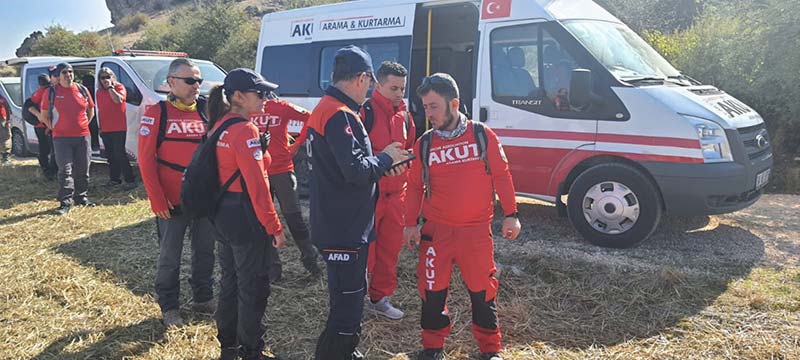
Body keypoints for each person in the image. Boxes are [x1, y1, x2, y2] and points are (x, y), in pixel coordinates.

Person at [403, 73, 521, 360]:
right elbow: (415, 187)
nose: (428, 113)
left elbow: (502, 177)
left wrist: (511, 214)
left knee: (483, 291)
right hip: (437, 232)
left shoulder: (482, 135)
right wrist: (409, 225)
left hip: (476, 233)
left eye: (433, 106)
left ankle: (490, 350)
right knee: (432, 291)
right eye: (425, 107)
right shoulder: (425, 143)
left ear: (453, 103)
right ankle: (432, 348)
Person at [307, 45, 410, 359]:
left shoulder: (328, 108)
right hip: (343, 227)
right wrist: (384, 158)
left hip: (339, 222)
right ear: (363, 78)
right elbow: (354, 171)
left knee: (347, 299)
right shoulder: (340, 115)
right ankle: (334, 353)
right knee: (348, 306)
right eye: (369, 82)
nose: (369, 89)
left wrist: (383, 165)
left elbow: (348, 168)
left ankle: (344, 350)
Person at [207, 68, 287, 360]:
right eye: (261, 93)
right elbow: (257, 185)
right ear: (239, 96)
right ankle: (252, 351)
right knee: (252, 286)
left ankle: (228, 345)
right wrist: (274, 226)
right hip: (244, 216)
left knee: (230, 281)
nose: (267, 98)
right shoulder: (245, 130)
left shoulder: (219, 125)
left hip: (222, 214)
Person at [137, 58, 216, 327]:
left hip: (203, 199)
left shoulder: (207, 109)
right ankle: (170, 306)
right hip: (171, 201)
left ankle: (203, 298)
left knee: (205, 251)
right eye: (190, 80)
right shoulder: (156, 112)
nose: (196, 85)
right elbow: (146, 159)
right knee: (170, 256)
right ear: (171, 82)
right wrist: (156, 199)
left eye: (199, 80)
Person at [360, 61, 416, 320]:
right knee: (365, 252)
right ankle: (355, 299)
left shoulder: (404, 114)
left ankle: (379, 299)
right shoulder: (365, 112)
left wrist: (405, 163)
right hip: (370, 195)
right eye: (393, 87)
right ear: (377, 84)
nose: (399, 93)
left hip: (397, 195)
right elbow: (356, 155)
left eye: (402, 88)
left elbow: (410, 147)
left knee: (389, 251)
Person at [251, 90, 320, 281]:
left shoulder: (282, 107)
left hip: (281, 170)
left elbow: (312, 118)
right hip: (258, 172)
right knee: (264, 219)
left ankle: (310, 261)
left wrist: (297, 144)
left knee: (294, 218)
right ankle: (273, 269)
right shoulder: (248, 108)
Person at [40, 63, 96, 215]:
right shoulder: (51, 92)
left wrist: (84, 125)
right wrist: (53, 127)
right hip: (61, 139)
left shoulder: (82, 90)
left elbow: (91, 110)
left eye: (70, 72)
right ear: (58, 76)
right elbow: (44, 115)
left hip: (83, 136)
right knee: (65, 171)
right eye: (64, 72)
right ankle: (65, 202)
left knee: (83, 169)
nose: (68, 75)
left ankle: (81, 197)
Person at [96, 67, 136, 189]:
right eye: (102, 78)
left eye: (108, 76)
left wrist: (110, 87)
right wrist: (100, 127)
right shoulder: (98, 92)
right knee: (110, 155)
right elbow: (101, 110)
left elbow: (118, 100)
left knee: (120, 154)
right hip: (106, 128)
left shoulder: (119, 88)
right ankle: (114, 179)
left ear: (113, 77)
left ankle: (130, 180)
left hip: (118, 128)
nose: (105, 79)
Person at [27, 72, 58, 178]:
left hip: (41, 126)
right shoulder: (46, 91)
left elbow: (29, 105)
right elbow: (30, 106)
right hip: (45, 126)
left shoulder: (39, 92)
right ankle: (50, 171)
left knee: (45, 149)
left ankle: (47, 170)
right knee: (51, 149)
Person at [0, 93, 10, 165]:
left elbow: (7, 108)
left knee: (5, 137)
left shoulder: (2, 98)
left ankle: (5, 157)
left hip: (2, 119)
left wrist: (8, 120)